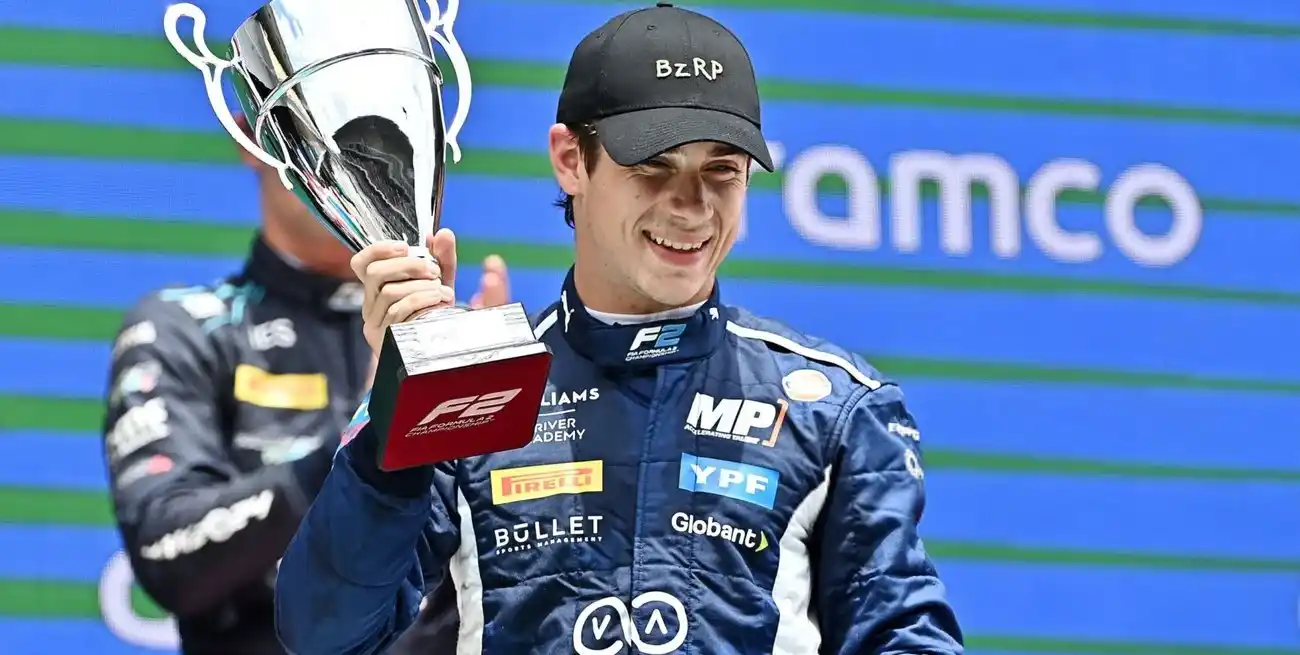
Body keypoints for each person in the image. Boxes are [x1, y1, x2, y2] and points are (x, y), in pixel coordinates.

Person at [274, 3, 965, 654]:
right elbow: (324, 633)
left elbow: (904, 635)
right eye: (653, 166)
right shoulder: (479, 391)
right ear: (571, 159)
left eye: (722, 171)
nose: (691, 207)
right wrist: (398, 424)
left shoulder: (832, 409)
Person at [100, 115, 511, 655]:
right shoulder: (186, 330)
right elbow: (167, 555)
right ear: (252, 137)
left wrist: (499, 424)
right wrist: (375, 425)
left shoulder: (456, 336)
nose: (350, 159)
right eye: (319, 127)